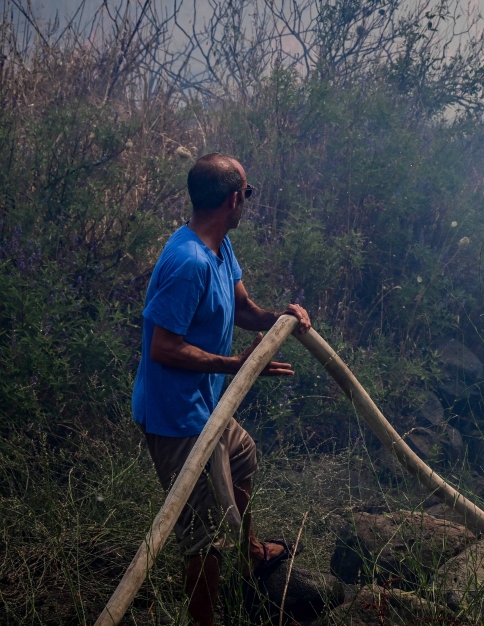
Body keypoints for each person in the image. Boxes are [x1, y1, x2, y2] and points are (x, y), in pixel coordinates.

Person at [131, 154, 311, 626]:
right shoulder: (187, 262)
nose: (246, 202)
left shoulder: (219, 247)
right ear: (233, 200)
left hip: (207, 407)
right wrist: (239, 365)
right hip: (176, 418)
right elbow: (164, 349)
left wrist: (283, 320)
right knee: (204, 533)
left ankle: (250, 554)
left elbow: (245, 308)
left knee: (243, 456)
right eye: (247, 194)